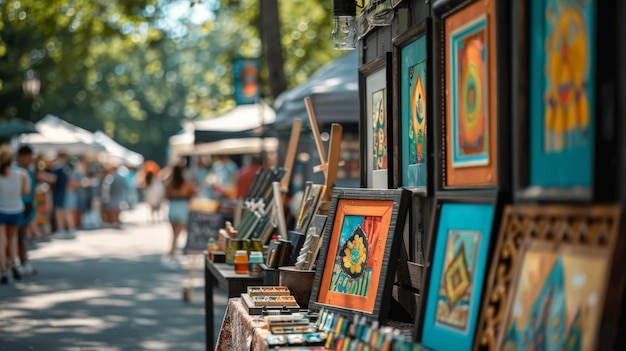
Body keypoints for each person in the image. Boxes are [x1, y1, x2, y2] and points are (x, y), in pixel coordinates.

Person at [0, 146, 30, 283]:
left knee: (2, 241)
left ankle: (3, 270)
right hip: (16, 208)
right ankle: (14, 265)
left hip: (1, 209)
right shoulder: (21, 173)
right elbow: (26, 191)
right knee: (12, 239)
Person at [163, 165, 197, 268]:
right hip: (182, 207)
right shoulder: (186, 183)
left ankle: (172, 252)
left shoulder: (169, 183)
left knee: (174, 233)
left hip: (173, 206)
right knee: (177, 234)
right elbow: (194, 192)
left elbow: (165, 195)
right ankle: (172, 252)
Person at [16, 145, 36, 276]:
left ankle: (23, 262)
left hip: (28, 206)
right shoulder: (15, 171)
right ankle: (20, 263)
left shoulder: (29, 170)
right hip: (18, 206)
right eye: (28, 156)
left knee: (22, 236)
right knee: (18, 237)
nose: (30, 159)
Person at [50, 151, 75, 238]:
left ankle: (61, 230)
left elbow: (53, 179)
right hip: (65, 192)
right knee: (65, 211)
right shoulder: (66, 167)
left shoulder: (58, 167)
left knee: (59, 211)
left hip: (58, 192)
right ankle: (70, 229)